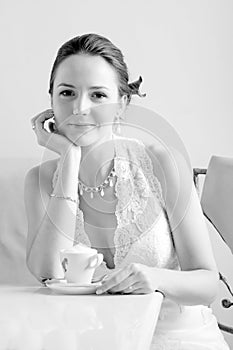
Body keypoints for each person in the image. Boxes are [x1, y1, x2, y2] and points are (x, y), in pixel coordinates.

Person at [24, 33, 229, 349]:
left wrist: (156, 278)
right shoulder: (39, 179)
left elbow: (206, 284)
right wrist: (68, 161)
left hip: (177, 338)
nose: (79, 108)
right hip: (92, 342)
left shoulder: (162, 163)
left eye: (98, 95)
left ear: (122, 105)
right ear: (51, 102)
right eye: (66, 93)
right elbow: (48, 273)